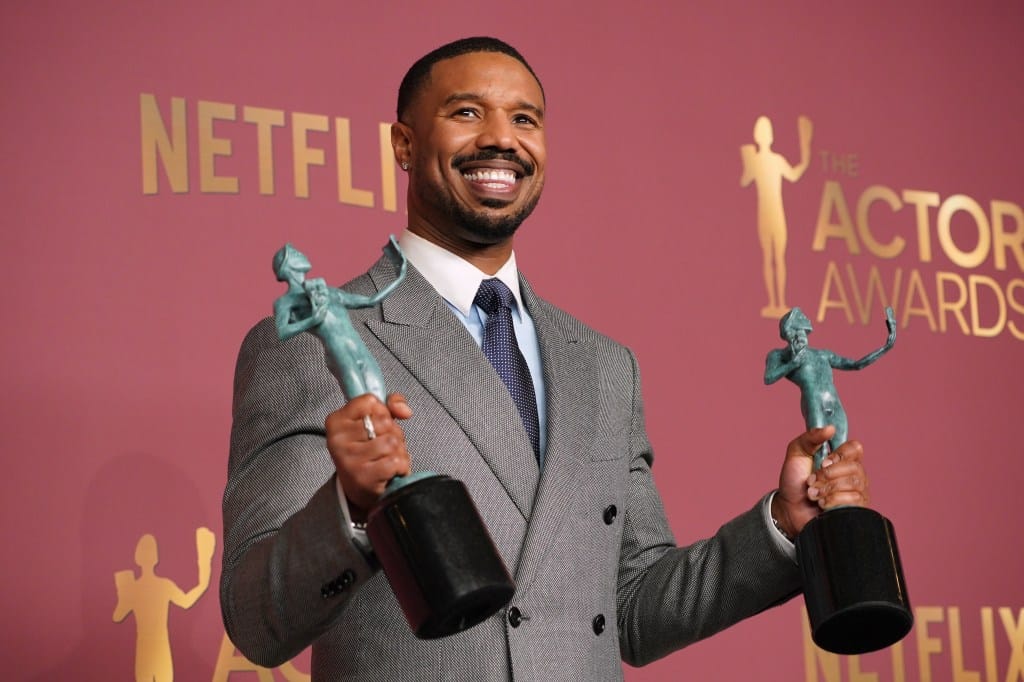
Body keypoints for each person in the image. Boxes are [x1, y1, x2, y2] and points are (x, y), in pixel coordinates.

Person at [221, 37, 872, 681]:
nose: (502, 138)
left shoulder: (603, 366)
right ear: (404, 145)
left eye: (524, 118)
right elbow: (255, 619)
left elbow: (637, 610)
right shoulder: (312, 342)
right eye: (468, 112)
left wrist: (783, 524)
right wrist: (351, 508)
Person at [765, 306, 897, 469]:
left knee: (840, 455)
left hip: (834, 405)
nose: (800, 336)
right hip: (814, 402)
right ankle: (813, 493)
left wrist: (885, 347)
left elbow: (856, 364)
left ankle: (831, 492)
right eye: (795, 332)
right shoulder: (780, 356)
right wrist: (793, 363)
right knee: (818, 451)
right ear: (789, 334)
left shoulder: (822, 354)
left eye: (802, 332)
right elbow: (768, 377)